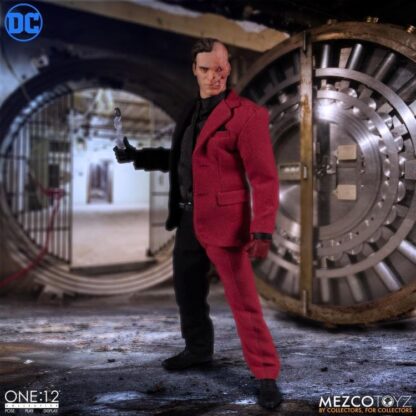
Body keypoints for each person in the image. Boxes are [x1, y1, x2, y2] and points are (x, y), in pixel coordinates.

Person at [113, 38, 282, 410]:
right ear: (195, 70)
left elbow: (264, 178)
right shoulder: (190, 110)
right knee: (187, 292)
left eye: (219, 68)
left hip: (227, 223)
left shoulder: (247, 115)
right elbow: (181, 158)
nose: (213, 76)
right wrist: (136, 156)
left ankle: (266, 374)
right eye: (205, 69)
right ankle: (198, 349)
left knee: (243, 302)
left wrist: (262, 229)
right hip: (188, 219)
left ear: (228, 68)